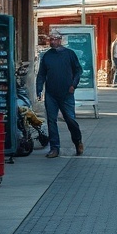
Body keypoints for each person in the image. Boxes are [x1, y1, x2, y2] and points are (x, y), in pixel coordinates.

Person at [35, 28, 83, 158]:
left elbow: (78, 71)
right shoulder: (47, 56)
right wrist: (39, 89)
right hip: (51, 93)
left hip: (67, 93)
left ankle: (77, 141)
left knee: (70, 120)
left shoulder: (69, 54)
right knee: (51, 121)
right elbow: (41, 74)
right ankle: (54, 148)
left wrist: (73, 85)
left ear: (60, 40)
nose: (52, 41)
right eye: (50, 39)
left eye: (55, 39)